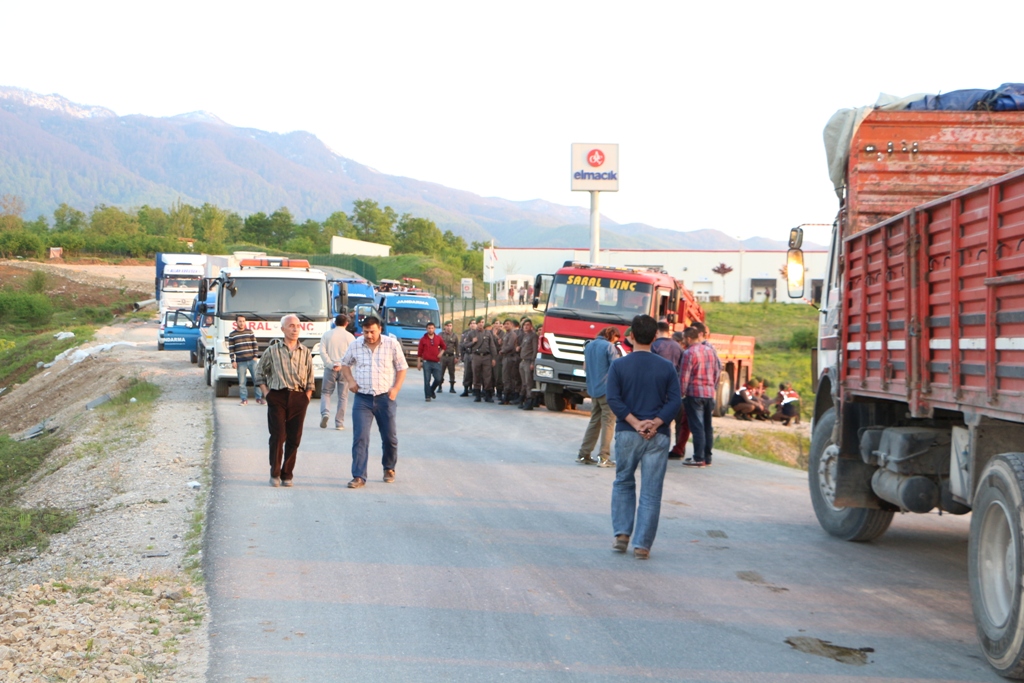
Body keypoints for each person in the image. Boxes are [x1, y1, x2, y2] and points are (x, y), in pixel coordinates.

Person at [606, 314, 682, 560]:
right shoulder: (666, 367)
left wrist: (636, 423)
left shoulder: (619, 365)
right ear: (654, 337)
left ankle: (621, 534)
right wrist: (656, 422)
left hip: (628, 433)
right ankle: (642, 546)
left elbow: (613, 400)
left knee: (624, 482)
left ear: (632, 336)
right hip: (657, 437)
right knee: (651, 492)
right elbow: (676, 402)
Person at [340, 315, 408, 489]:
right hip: (363, 399)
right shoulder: (356, 345)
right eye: (365, 332)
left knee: (389, 437)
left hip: (385, 398)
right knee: (360, 437)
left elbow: (402, 367)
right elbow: (345, 364)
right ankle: (358, 476)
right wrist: (350, 381)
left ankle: (389, 467)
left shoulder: (391, 344)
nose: (369, 335)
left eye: (372, 331)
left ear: (380, 329)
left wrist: (395, 389)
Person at [255, 314, 316, 487]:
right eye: (291, 326)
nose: (295, 329)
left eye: (297, 326)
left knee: (294, 438)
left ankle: (287, 474)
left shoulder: (305, 352)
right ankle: (274, 473)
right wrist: (267, 393)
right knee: (278, 435)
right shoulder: (272, 350)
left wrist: (306, 397)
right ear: (283, 329)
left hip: (298, 397)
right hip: (278, 396)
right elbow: (259, 372)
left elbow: (311, 378)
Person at [577, 326, 621, 467]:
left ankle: (584, 454)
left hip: (593, 389)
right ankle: (604, 457)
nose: (615, 342)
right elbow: (616, 368)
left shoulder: (589, 346)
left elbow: (585, 367)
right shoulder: (609, 347)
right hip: (607, 390)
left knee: (594, 422)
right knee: (608, 423)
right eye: (615, 339)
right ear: (612, 336)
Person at [680, 326, 721, 468]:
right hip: (709, 393)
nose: (684, 340)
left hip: (694, 393)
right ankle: (707, 457)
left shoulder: (688, 353)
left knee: (697, 426)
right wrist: (713, 388)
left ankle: (698, 457)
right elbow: (717, 372)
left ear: (689, 338)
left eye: (684, 338)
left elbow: (684, 376)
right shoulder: (711, 351)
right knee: (707, 426)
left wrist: (682, 393)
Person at [319, 314, 354, 430]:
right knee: (343, 396)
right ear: (346, 323)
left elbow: (322, 351)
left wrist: (330, 364)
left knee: (326, 392)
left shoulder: (327, 335)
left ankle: (325, 413)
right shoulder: (350, 337)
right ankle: (339, 423)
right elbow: (353, 355)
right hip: (344, 369)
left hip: (330, 368)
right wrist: (344, 365)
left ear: (334, 322)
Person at [228, 315, 262, 406]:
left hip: (252, 360)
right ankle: (244, 399)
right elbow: (231, 349)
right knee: (242, 382)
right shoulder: (232, 335)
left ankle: (259, 398)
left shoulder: (249, 332)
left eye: (243, 321)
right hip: (240, 361)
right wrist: (233, 361)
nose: (242, 323)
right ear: (236, 322)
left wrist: (255, 356)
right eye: (240, 321)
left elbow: (255, 344)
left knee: (257, 380)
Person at [467, 318, 497, 402]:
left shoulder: (488, 333)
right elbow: (465, 345)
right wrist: (472, 342)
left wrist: (494, 358)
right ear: (477, 323)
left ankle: (488, 395)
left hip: (486, 357)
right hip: (476, 356)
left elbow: (492, 346)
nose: (481, 324)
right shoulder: (471, 333)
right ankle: (477, 395)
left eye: (482, 322)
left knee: (487, 376)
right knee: (476, 376)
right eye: (479, 322)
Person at [417, 322, 446, 401]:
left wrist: (441, 353)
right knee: (427, 380)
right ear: (426, 329)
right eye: (429, 328)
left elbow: (444, 346)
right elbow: (419, 352)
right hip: (427, 362)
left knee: (438, 379)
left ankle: (431, 390)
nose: (430, 330)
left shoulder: (438, 338)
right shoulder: (423, 339)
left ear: (434, 329)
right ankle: (427, 396)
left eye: (432, 328)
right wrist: (419, 363)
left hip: (436, 362)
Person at [517, 319, 538, 410]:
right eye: (524, 325)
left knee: (529, 382)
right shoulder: (525, 336)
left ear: (531, 326)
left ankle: (530, 401)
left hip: (529, 361)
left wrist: (533, 362)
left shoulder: (533, 336)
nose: (526, 326)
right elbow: (523, 346)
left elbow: (535, 350)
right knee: (524, 382)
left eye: (528, 325)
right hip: (523, 361)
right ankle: (522, 399)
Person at [499, 319, 521, 404]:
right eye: (505, 324)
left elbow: (510, 346)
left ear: (512, 325)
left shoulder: (512, 334)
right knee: (505, 377)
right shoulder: (506, 334)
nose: (506, 326)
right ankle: (507, 396)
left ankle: (507, 397)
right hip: (505, 357)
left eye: (508, 324)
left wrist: (502, 350)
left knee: (508, 377)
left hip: (510, 357)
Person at [439, 321, 459, 393]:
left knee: (452, 372)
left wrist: (457, 356)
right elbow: (437, 345)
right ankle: (439, 386)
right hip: (443, 356)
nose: (449, 327)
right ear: (445, 326)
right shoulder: (440, 335)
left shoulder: (454, 336)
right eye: (447, 326)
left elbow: (457, 347)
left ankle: (452, 387)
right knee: (441, 372)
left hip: (451, 356)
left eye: (450, 326)